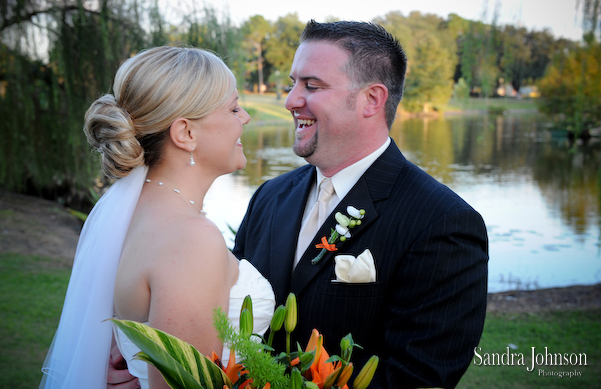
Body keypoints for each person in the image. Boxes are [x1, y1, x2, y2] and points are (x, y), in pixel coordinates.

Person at [232, 20, 488, 388]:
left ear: (372, 99)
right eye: (293, 84)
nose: (290, 100)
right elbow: (224, 309)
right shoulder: (269, 197)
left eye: (312, 86)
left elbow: (418, 376)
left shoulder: (443, 222)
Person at [40, 46, 275, 389]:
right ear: (186, 134)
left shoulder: (133, 212)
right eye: (233, 108)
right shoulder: (190, 239)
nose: (245, 118)